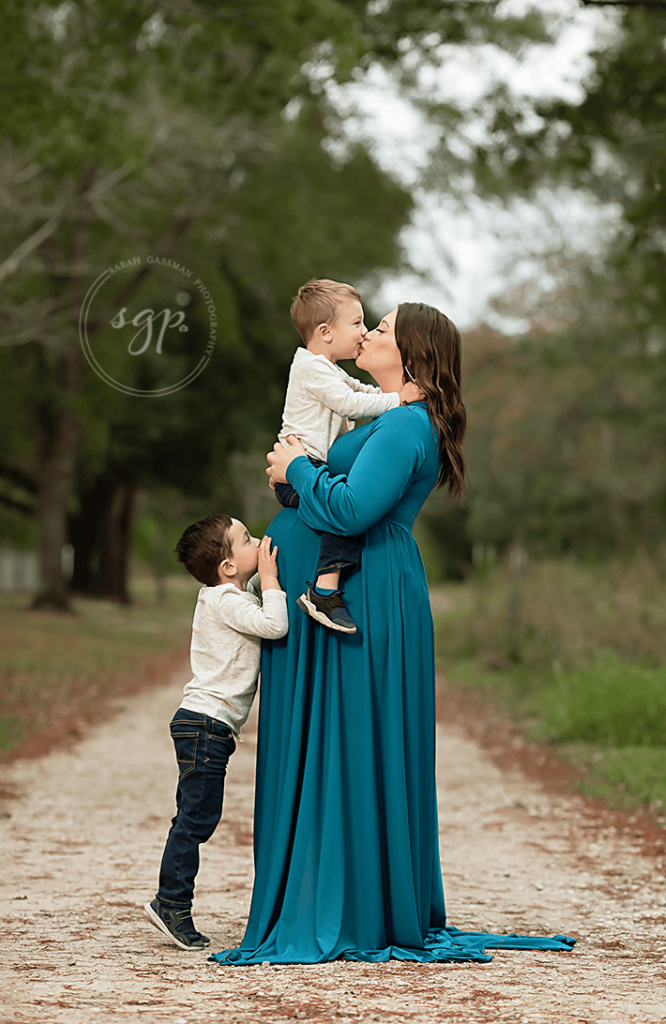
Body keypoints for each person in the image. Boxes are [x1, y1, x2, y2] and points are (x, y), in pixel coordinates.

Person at [211, 303, 575, 965]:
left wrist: (294, 469)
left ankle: (343, 906)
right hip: (344, 589)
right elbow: (339, 496)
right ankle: (328, 892)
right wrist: (296, 481)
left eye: (379, 328)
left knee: (349, 738)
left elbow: (353, 509)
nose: (368, 333)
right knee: (327, 739)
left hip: (363, 594)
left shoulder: (408, 424)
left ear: (410, 352)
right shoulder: (386, 415)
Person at [144, 515, 288, 950]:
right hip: (206, 725)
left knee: (193, 815)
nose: (259, 540)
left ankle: (171, 899)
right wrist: (271, 580)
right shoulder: (226, 600)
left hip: (203, 725)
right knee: (196, 819)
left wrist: (260, 581)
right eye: (247, 539)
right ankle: (170, 902)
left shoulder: (228, 595)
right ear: (228, 566)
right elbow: (275, 625)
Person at [275, 279, 422, 634]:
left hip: (306, 467)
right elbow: (350, 403)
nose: (364, 331)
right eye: (356, 323)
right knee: (338, 510)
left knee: (340, 504)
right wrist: (397, 399)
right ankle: (324, 590)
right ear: (326, 331)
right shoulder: (311, 368)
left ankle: (324, 588)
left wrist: (394, 396)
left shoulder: (327, 369)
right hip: (303, 465)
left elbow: (358, 389)